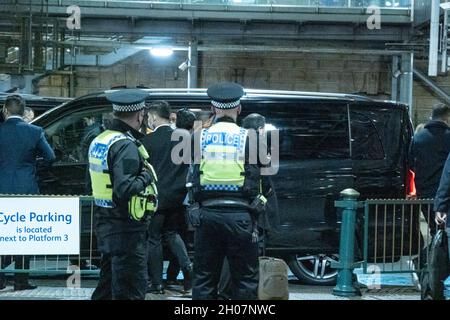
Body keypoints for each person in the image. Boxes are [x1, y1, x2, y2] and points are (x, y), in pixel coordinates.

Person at [190, 82, 268, 300]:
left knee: (204, 278)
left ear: (213, 109)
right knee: (245, 278)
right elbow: (264, 175)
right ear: (239, 109)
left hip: (206, 217)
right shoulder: (250, 138)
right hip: (242, 217)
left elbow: (191, 176)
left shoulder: (199, 137)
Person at [88, 89, 158, 300]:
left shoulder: (101, 140)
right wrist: (147, 176)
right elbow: (124, 189)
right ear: (139, 115)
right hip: (126, 230)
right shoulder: (125, 145)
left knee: (107, 289)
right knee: (130, 291)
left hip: (106, 223)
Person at [217, 113, 279, 300]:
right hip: (253, 212)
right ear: (261, 129)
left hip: (234, 208)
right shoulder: (256, 147)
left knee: (230, 254)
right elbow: (265, 181)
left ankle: (225, 293)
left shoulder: (236, 143)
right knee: (248, 260)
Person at [0, 95, 55, 291]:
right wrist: (32, 167)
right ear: (23, 113)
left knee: (2, 234)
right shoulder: (35, 131)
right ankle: (21, 281)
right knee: (24, 234)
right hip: (27, 189)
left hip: (2, 190)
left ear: (5, 111)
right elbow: (50, 157)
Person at [141, 101, 193, 294]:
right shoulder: (183, 139)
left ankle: (157, 283)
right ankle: (188, 270)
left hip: (156, 199)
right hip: (179, 198)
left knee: (153, 239)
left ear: (153, 117)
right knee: (172, 234)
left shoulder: (148, 141)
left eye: (149, 118)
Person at [410, 104, 450, 236]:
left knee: (434, 230)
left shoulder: (418, 138)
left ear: (431, 117)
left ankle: (434, 255)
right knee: (446, 231)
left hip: (424, 192)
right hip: (446, 194)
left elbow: (410, 163)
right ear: (447, 118)